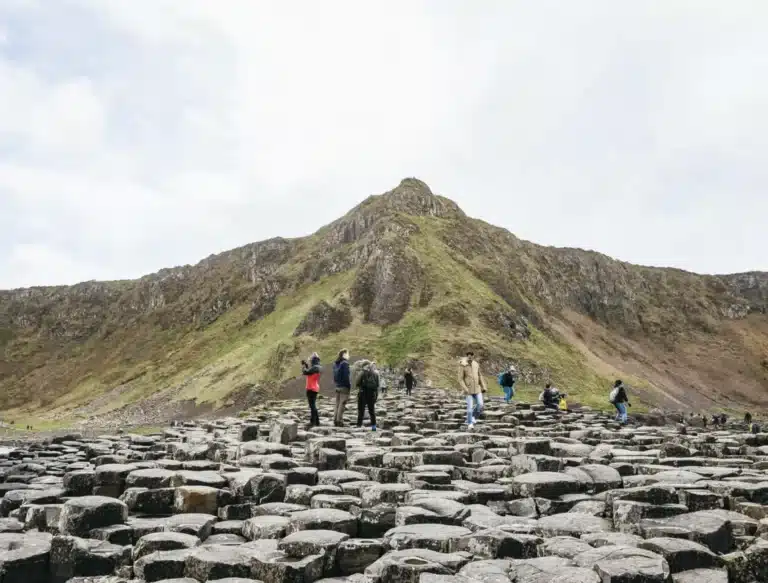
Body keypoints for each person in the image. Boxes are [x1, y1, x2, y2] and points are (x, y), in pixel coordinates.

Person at [458, 351, 487, 429]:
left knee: (480, 405)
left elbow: (480, 376)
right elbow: (460, 379)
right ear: (467, 356)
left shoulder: (476, 364)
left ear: (473, 356)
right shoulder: (462, 365)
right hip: (468, 390)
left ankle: (473, 417)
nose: (470, 356)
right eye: (468, 355)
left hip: (477, 389)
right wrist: (465, 389)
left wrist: (483, 386)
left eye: (471, 355)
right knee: (470, 408)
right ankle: (470, 423)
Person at [356, 360, 379, 430]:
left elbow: (357, 382)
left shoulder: (362, 373)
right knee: (372, 411)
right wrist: (376, 396)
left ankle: (359, 425)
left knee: (361, 410)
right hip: (371, 394)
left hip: (363, 393)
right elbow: (377, 385)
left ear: (364, 366)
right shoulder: (375, 374)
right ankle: (374, 427)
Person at [301, 353, 321, 427]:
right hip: (314, 388)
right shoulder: (317, 367)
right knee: (313, 405)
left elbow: (305, 372)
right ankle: (317, 421)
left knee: (312, 406)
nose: (310, 361)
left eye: (311, 360)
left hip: (311, 388)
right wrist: (306, 365)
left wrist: (303, 366)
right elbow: (309, 371)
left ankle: (313, 421)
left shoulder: (315, 367)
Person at [332, 349, 351, 427]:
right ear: (344, 354)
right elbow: (346, 376)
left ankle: (335, 420)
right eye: (347, 353)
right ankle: (339, 421)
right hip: (344, 387)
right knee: (342, 405)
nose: (349, 355)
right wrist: (348, 385)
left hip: (337, 386)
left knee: (337, 404)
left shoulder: (335, 364)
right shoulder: (345, 363)